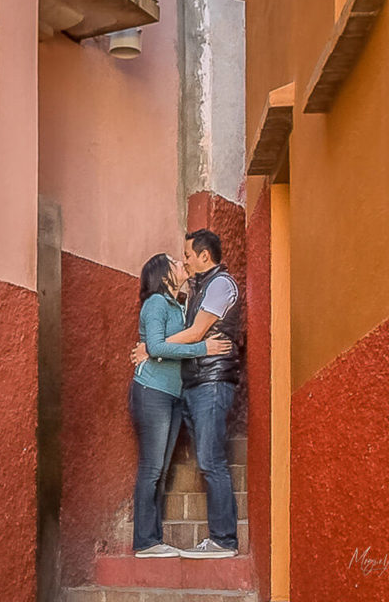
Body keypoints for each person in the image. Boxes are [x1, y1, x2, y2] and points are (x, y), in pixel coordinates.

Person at [132, 229, 242, 559]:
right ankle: (147, 541)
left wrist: (153, 349)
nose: (185, 260)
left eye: (188, 255)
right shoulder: (168, 300)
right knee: (158, 468)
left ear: (204, 256)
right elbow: (166, 339)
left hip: (204, 385)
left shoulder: (215, 287)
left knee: (205, 462)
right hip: (172, 390)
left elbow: (190, 334)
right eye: (178, 260)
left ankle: (223, 539)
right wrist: (154, 349)